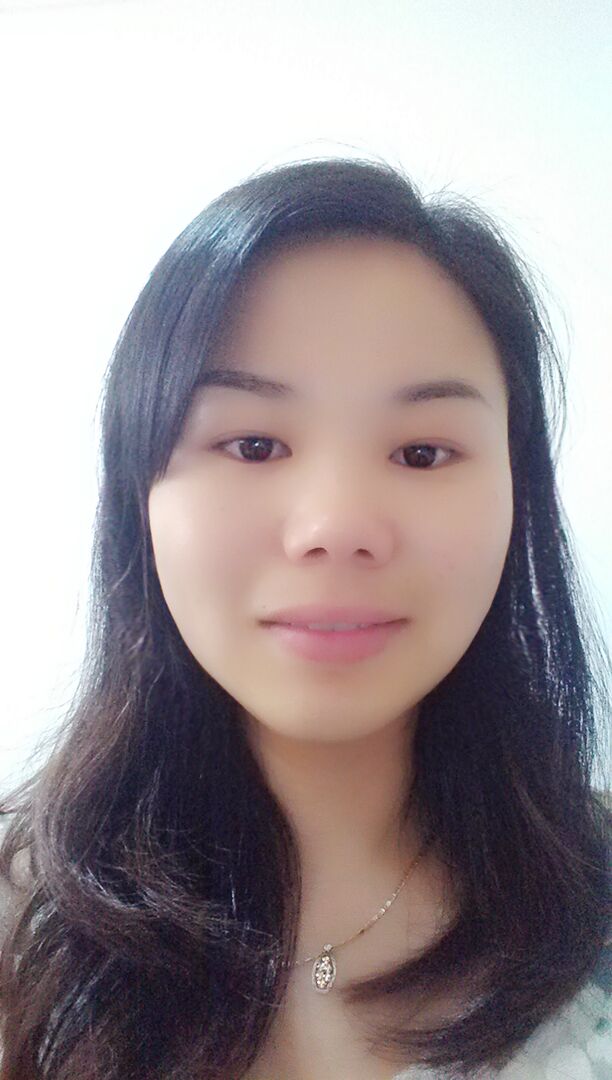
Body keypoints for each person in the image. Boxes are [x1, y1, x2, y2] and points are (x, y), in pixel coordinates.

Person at [0, 156, 609, 1079]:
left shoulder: (593, 895)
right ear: (139, 495)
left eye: (422, 452)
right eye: (252, 443)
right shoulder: (22, 925)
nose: (336, 526)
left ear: (517, 498)